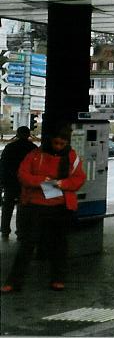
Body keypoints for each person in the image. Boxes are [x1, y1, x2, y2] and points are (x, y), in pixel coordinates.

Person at [1, 124, 86, 293]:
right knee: (27, 244)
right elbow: (23, 174)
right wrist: (42, 181)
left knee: (59, 244)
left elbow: (79, 178)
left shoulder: (71, 157)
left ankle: (57, 278)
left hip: (60, 206)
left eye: (62, 144)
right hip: (36, 205)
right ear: (50, 141)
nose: (59, 147)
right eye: (56, 143)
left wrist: (61, 183)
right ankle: (14, 281)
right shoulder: (35, 154)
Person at [1, 126, 37, 240]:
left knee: (7, 206)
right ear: (28, 135)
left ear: (17, 134)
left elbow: (3, 166)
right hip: (25, 184)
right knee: (23, 207)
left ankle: (5, 229)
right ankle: (20, 231)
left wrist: (2, 181)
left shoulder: (10, 147)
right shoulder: (33, 148)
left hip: (10, 182)